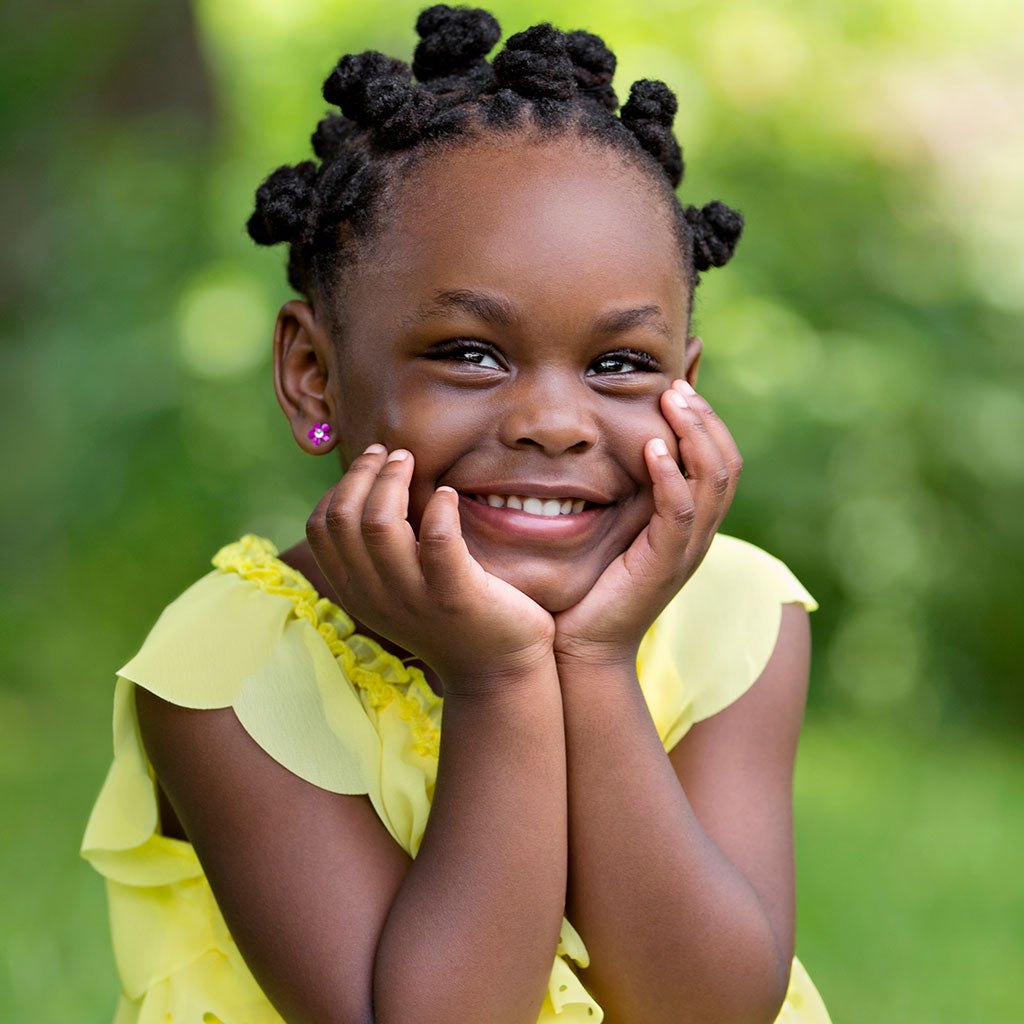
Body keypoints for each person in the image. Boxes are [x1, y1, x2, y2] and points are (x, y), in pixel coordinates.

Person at [82, 6, 833, 1023]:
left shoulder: (734, 612)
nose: (554, 424)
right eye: (470, 353)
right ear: (313, 373)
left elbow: (705, 1007)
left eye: (619, 364)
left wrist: (598, 661)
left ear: (686, 389)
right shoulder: (229, 668)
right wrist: (503, 679)